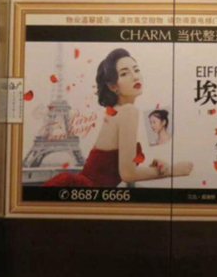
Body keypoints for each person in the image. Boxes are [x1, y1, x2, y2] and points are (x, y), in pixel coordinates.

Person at [43, 48, 193, 187]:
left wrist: (156, 168)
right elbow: (128, 174)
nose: (135, 76)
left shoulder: (117, 112)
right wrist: (174, 170)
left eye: (136, 70)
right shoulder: (128, 111)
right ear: (113, 86)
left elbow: (112, 168)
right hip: (84, 192)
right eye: (124, 73)